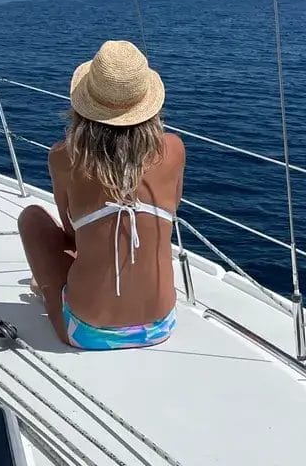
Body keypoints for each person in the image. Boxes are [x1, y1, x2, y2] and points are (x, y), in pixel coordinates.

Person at [18, 39, 185, 350]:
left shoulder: (65, 157)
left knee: (32, 219)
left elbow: (70, 231)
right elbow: (171, 210)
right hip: (162, 324)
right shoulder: (173, 149)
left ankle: (50, 288)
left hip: (87, 331)